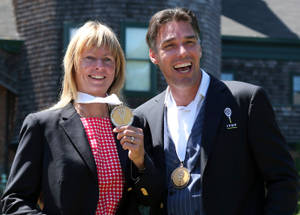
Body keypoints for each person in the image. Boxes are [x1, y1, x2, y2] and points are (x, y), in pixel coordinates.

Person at [134, 7, 299, 215]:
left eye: (189, 42)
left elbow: (283, 180)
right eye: (170, 46)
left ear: (200, 48)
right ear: (153, 56)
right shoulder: (144, 117)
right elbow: (146, 193)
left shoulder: (246, 102)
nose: (183, 52)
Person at [1, 21, 162, 215]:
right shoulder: (42, 126)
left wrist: (140, 161)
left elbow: (151, 198)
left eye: (108, 59)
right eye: (89, 58)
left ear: (117, 68)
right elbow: (14, 202)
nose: (99, 67)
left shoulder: (133, 123)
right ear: (74, 65)